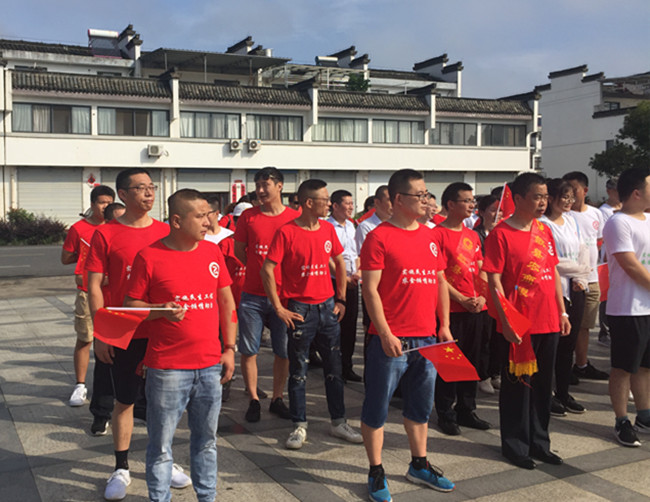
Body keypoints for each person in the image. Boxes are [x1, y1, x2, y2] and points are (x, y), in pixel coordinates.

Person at [124, 189, 236, 502]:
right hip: (167, 368)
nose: (208, 222)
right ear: (176, 221)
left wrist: (229, 348)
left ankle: (207, 497)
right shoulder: (149, 256)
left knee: (206, 441)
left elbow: (226, 301)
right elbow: (130, 304)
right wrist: (159, 309)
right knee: (161, 445)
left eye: (209, 215)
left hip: (210, 364)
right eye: (200, 216)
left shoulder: (212, 253)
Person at [85, 168, 190, 501]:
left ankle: (165, 459)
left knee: (164, 403)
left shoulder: (167, 231)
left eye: (151, 187)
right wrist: (102, 333)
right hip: (125, 332)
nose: (149, 193)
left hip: (164, 331)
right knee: (125, 400)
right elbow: (94, 287)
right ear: (123, 194)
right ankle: (121, 468)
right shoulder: (106, 234)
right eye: (141, 188)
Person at [360, 169, 455, 501]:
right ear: (399, 199)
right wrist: (385, 333)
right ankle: (376, 470)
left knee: (420, 407)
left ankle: (419, 464)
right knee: (377, 408)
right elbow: (370, 290)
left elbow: (440, 281)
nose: (426, 200)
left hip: (427, 338)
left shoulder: (431, 236)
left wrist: (444, 325)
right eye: (420, 195)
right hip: (391, 341)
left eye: (427, 194)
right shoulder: (378, 238)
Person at [262, 179, 363, 450]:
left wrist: (341, 298)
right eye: (324, 200)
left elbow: (339, 261)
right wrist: (278, 307)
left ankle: (338, 421)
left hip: (328, 307)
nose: (329, 204)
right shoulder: (287, 232)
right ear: (309, 203)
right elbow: (267, 269)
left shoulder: (327, 229)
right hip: (299, 310)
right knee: (299, 370)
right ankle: (299, 425)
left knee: (334, 368)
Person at [483, 172, 571, 470]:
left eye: (545, 197)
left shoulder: (543, 231)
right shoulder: (500, 234)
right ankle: (515, 445)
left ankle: (540, 442)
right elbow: (494, 281)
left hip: (549, 320)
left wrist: (562, 311)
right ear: (518, 199)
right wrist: (506, 321)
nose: (543, 202)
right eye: (537, 197)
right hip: (518, 323)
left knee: (544, 386)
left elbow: (553, 271)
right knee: (517, 388)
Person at [233, 167, 300, 423]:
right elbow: (240, 252)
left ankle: (277, 397)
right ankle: (253, 397)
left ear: (280, 186)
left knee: (283, 350)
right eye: (258, 185)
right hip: (252, 295)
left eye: (266, 185)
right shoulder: (248, 217)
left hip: (284, 296)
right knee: (249, 349)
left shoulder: (294, 217)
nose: (260, 190)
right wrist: (259, 270)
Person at [432, 182, 491, 436]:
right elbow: (438, 277)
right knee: (449, 363)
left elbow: (481, 268)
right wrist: (461, 298)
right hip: (450, 310)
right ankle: (446, 412)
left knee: (472, 361)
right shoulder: (436, 235)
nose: (471, 205)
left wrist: (481, 296)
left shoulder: (472, 235)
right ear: (450, 204)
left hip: (476, 308)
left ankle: (467, 409)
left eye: (472, 200)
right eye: (466, 200)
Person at [602, 167, 650, 447]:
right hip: (627, 308)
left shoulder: (648, 219)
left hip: (648, 307)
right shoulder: (618, 222)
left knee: (645, 366)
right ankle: (622, 420)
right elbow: (630, 264)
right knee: (623, 367)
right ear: (636, 193)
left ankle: (644, 414)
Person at [61, 185, 114, 412]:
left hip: (114, 292)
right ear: (92, 204)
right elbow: (65, 257)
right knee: (85, 338)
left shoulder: (117, 227)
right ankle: (80, 385)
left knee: (115, 340)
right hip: (86, 289)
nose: (105, 206)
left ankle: (113, 385)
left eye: (109, 202)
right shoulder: (79, 229)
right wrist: (87, 258)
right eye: (102, 202)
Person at [540, 179, 590, 416]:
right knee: (552, 346)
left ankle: (563, 392)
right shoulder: (542, 225)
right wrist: (580, 270)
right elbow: (551, 262)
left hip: (575, 287)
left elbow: (583, 249)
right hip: (553, 288)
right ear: (551, 198)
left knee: (568, 345)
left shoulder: (571, 220)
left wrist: (581, 276)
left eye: (571, 197)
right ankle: (546, 394)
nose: (569, 202)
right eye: (564, 197)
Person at [563, 171, 608, 382]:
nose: (571, 195)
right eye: (567, 191)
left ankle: (581, 364)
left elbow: (598, 242)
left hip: (592, 277)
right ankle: (563, 367)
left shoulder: (595, 214)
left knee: (585, 326)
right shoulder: (565, 216)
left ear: (585, 190)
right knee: (569, 327)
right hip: (570, 280)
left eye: (574, 190)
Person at [326, 189, 362, 382]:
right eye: (347, 204)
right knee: (334, 326)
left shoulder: (351, 226)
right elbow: (328, 258)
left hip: (353, 282)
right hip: (334, 282)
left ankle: (347, 366)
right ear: (335, 206)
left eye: (351, 203)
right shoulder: (327, 227)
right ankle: (334, 367)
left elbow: (356, 254)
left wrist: (357, 273)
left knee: (350, 326)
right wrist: (343, 278)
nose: (350, 207)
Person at [473, 194, 502, 395]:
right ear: (482, 212)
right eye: (493, 210)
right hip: (484, 290)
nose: (497, 214)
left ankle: (495, 372)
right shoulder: (476, 235)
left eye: (500, 210)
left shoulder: (505, 232)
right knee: (485, 336)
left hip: (502, 289)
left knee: (499, 336)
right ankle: (482, 375)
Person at [598, 177, 621, 347]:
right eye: (617, 191)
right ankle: (604, 332)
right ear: (609, 191)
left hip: (620, 258)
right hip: (607, 258)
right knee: (606, 295)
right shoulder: (603, 211)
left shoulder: (626, 209)